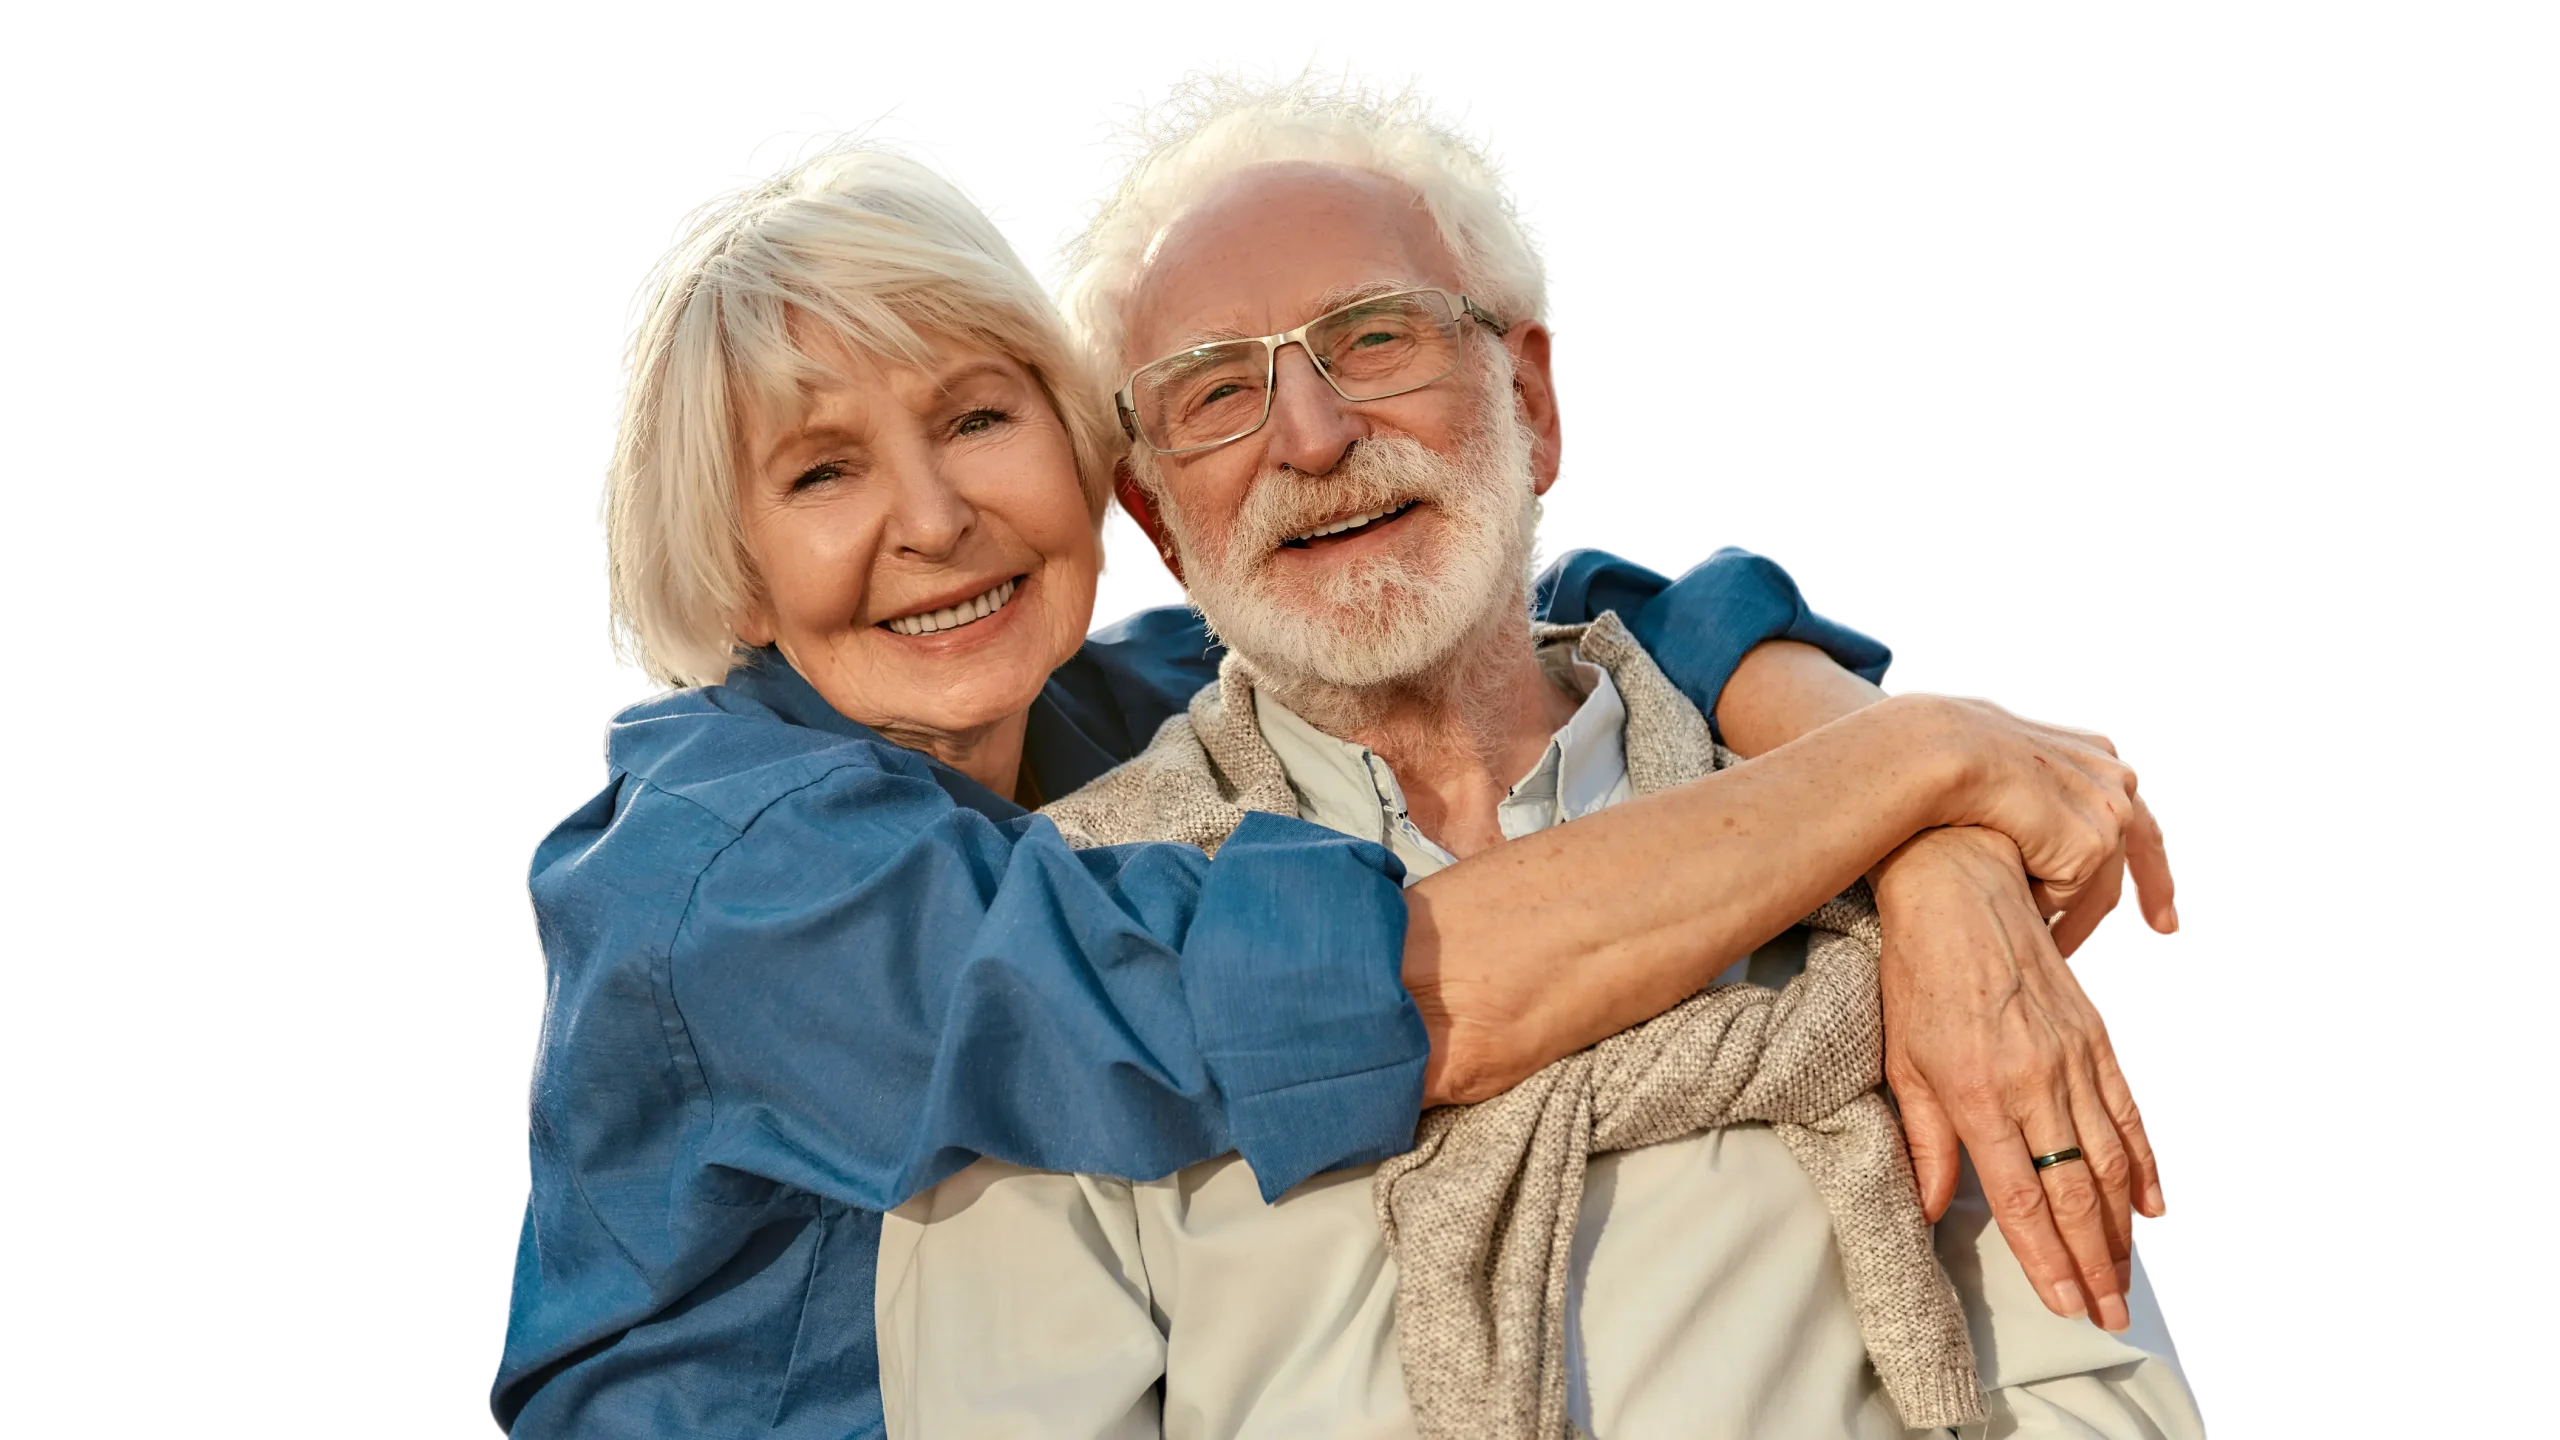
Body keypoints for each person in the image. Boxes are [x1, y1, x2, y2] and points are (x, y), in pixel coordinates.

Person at [494, 120, 2172, 1438]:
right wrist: (1924, 764)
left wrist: (1928, 836)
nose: (934, 520)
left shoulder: (1088, 700)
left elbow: (1566, 608)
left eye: (981, 420)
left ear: (1102, 487)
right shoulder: (735, 885)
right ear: (731, 571)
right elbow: (1349, 994)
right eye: (823, 470)